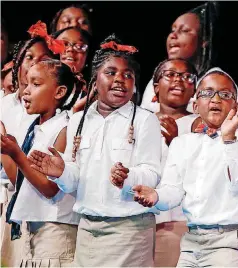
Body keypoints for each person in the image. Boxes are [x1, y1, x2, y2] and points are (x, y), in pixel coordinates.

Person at [28, 34, 161, 267]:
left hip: (128, 230)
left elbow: (152, 172)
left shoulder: (144, 120)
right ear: (94, 80)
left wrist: (128, 177)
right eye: (111, 73)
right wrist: (61, 172)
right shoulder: (79, 120)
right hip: (88, 229)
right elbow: (74, 182)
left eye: (128, 75)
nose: (120, 80)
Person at [134, 67, 238, 267]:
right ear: (195, 106)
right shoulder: (182, 143)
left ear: (236, 106)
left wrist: (228, 139)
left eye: (225, 94)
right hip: (192, 239)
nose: (216, 99)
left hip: (229, 240)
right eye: (207, 93)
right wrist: (156, 196)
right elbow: (174, 190)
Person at [1, 59, 82, 267]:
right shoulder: (35, 129)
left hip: (56, 232)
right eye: (26, 84)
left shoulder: (63, 128)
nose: (26, 91)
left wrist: (17, 154)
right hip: (34, 231)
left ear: (59, 92)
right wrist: (4, 150)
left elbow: (50, 188)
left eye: (36, 85)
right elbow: (20, 181)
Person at [151, 58, 198, 267]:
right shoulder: (140, 121)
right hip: (140, 222)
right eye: (170, 75)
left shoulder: (200, 123)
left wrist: (175, 143)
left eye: (187, 76)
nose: (179, 80)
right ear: (155, 87)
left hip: (180, 222)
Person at [140, 1, 218, 113]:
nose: (173, 36)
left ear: (204, 40)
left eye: (184, 30)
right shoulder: (160, 77)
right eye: (172, 30)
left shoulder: (215, 80)